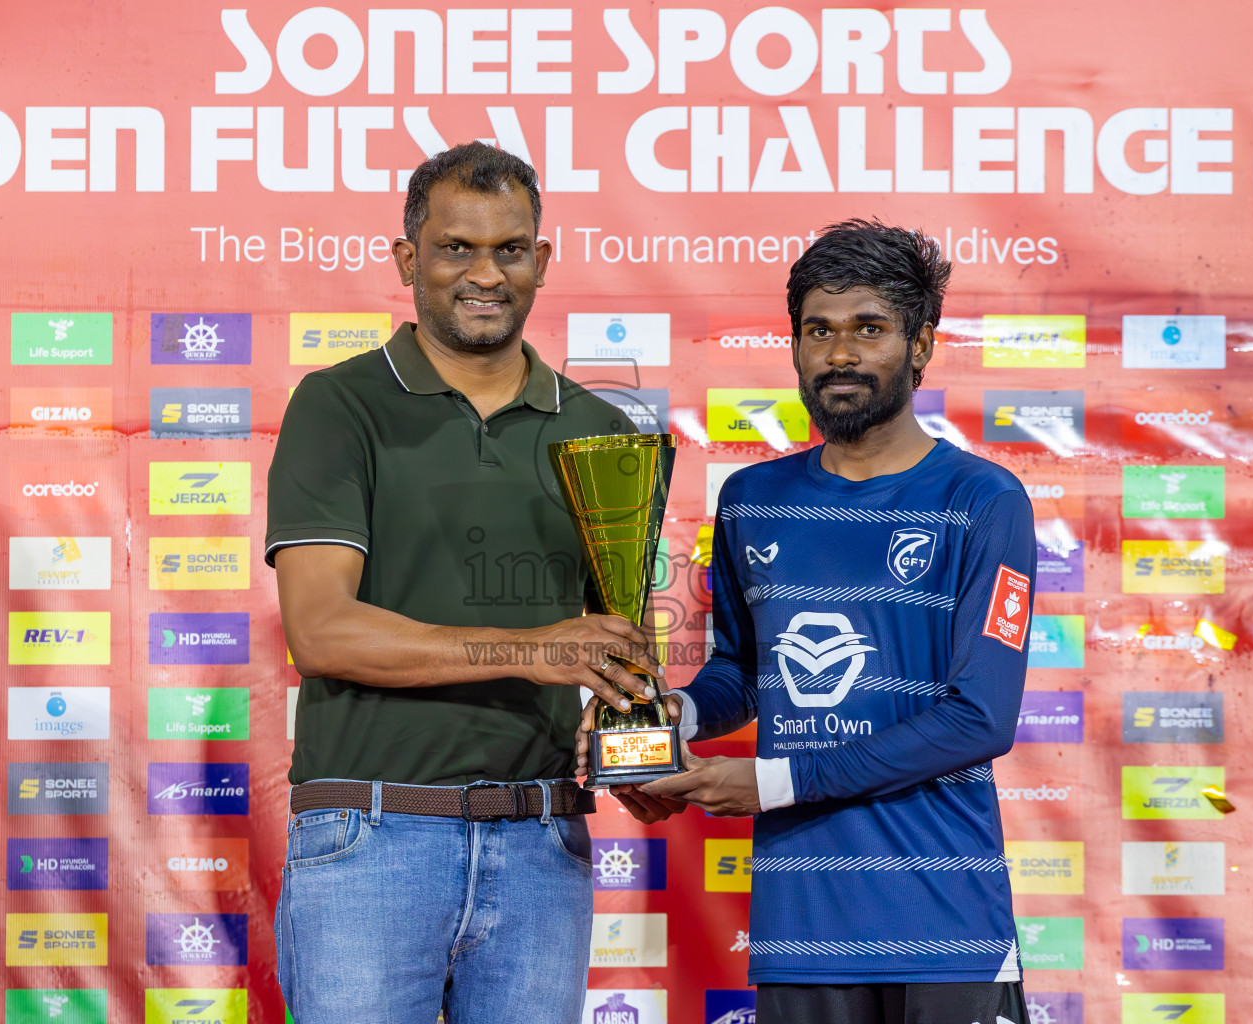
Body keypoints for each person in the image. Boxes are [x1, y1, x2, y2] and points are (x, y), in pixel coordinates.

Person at [580, 218, 1036, 1024]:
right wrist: (667, 716)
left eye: (870, 329)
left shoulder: (981, 500)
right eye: (818, 331)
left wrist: (772, 782)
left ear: (921, 344)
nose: (840, 354)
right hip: (802, 925)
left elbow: (980, 718)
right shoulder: (754, 501)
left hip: (944, 925)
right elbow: (746, 673)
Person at [267, 142, 658, 1024]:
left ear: (542, 261)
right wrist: (535, 651)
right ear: (409, 258)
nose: (485, 274)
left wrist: (636, 739)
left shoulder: (598, 430)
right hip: (370, 838)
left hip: (541, 842)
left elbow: (612, 644)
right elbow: (321, 629)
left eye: (510, 250)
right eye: (456, 249)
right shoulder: (341, 405)